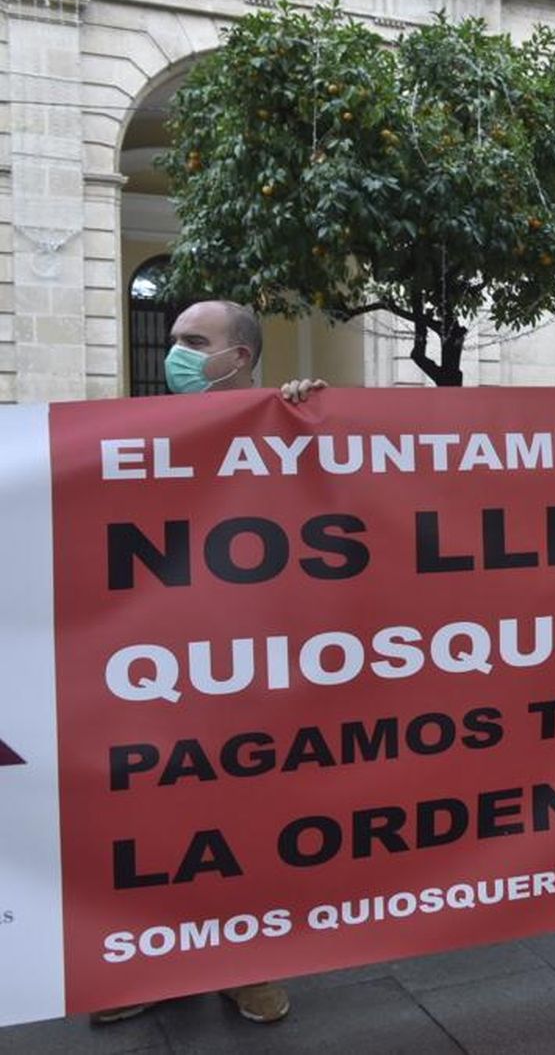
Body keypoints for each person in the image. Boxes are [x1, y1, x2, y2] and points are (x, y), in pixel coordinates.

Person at [93, 300, 313, 1026]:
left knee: (246, 818)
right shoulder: (137, 433)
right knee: (162, 819)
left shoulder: (291, 423)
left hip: (257, 670)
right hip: (157, 669)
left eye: (195, 341)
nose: (176, 351)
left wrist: (316, 420)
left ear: (239, 357)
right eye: (176, 338)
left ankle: (246, 962)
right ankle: (158, 961)